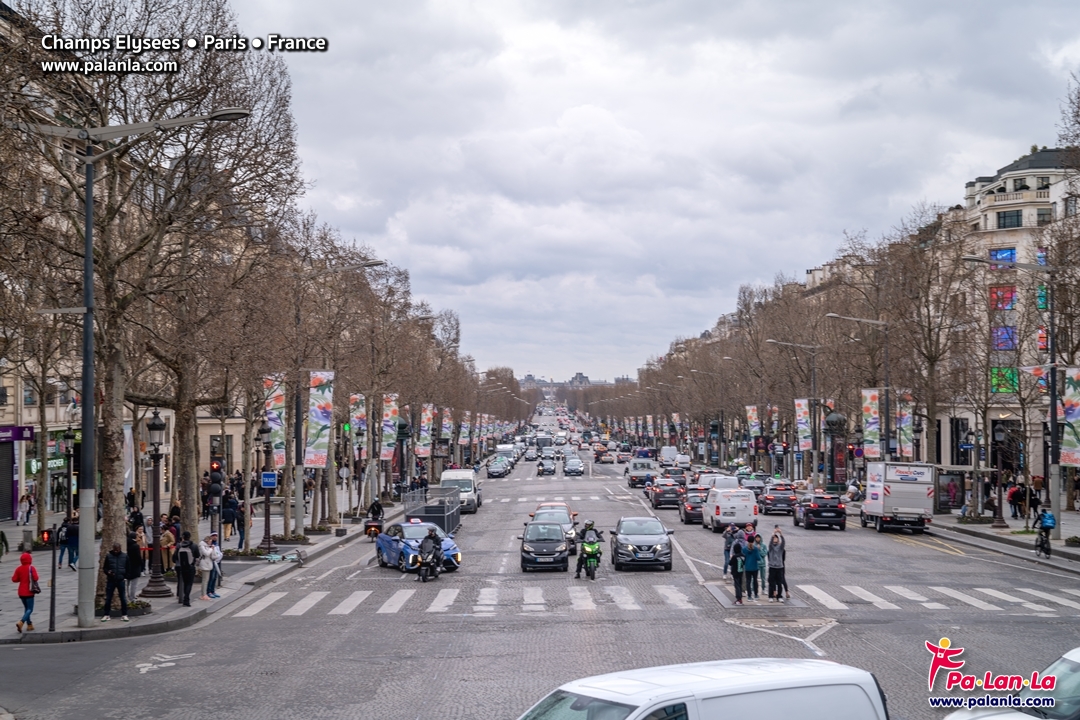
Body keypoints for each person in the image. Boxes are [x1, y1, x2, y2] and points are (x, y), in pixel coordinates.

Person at [101, 542, 130, 622]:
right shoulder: (109, 556)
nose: (116, 551)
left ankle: (124, 614)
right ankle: (106, 614)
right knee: (108, 598)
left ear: (120, 549)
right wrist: (108, 572)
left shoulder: (125, 556)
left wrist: (125, 577)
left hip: (121, 579)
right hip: (111, 580)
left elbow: (128, 567)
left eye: (117, 550)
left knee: (123, 598)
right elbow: (105, 568)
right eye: (115, 550)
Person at [12, 551, 39, 632]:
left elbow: (14, 579)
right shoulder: (31, 568)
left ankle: (29, 625)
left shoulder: (18, 568)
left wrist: (21, 578)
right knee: (30, 609)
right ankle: (21, 622)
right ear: (30, 559)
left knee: (26, 608)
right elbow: (36, 578)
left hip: (21, 592)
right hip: (29, 591)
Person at [173, 531, 198, 606]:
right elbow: (197, 555)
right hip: (191, 567)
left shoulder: (179, 546)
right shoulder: (194, 545)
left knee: (184, 582)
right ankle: (186, 599)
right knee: (189, 584)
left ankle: (184, 597)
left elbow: (174, 558)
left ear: (183, 537)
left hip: (182, 567)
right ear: (190, 536)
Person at [767, 530, 786, 603]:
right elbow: (769, 544)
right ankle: (771, 596)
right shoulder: (771, 547)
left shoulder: (780, 547)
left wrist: (781, 534)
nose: (775, 539)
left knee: (779, 582)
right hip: (772, 566)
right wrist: (773, 535)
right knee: (771, 582)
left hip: (779, 566)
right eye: (774, 538)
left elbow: (783, 543)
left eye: (776, 538)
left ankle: (779, 596)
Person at [198, 533, 217, 600]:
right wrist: (211, 549)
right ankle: (203, 594)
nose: (211, 543)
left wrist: (213, 550)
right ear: (207, 541)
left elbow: (214, 556)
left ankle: (204, 593)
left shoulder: (208, 546)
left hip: (209, 564)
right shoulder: (202, 546)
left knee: (207, 580)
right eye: (210, 541)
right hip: (205, 564)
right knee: (205, 580)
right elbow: (206, 553)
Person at [204, 533, 223, 599]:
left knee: (214, 577)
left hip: (216, 562)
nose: (215, 537)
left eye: (216, 536)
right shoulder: (209, 546)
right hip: (212, 562)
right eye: (213, 536)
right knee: (211, 577)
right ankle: (209, 591)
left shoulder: (216, 544)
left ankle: (212, 591)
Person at [125, 531, 143, 599]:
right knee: (134, 583)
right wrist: (141, 563)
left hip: (127, 565)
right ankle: (132, 597)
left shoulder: (126, 544)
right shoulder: (135, 546)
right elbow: (138, 556)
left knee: (127, 583)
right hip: (135, 566)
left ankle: (127, 596)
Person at [743, 535, 760, 601]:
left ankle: (749, 596)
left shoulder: (744, 549)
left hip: (747, 567)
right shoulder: (755, 548)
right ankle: (756, 594)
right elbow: (758, 558)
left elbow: (743, 558)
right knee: (755, 581)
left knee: (748, 581)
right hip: (755, 567)